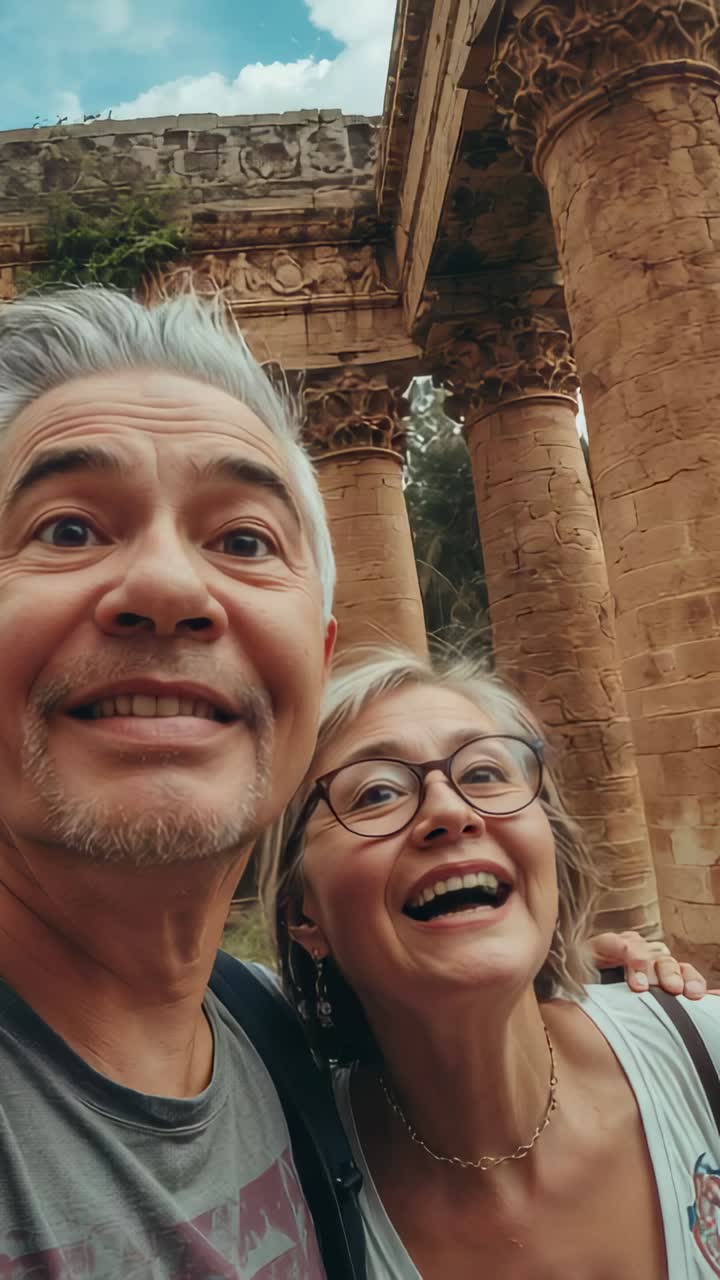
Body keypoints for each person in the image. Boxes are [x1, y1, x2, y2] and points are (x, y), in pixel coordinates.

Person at [0, 285, 339, 1277]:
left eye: (243, 539)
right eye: (68, 528)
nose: (168, 588)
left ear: (319, 659)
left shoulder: (297, 1045)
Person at [261, 649, 720, 1279]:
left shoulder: (705, 1055)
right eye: (376, 792)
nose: (451, 811)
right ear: (301, 912)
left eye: (483, 773)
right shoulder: (285, 1195)